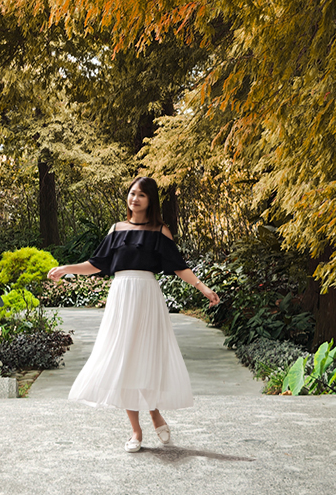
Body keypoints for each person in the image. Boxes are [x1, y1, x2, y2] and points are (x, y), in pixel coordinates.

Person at [47, 176, 220, 453]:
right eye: (131, 193)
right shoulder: (116, 229)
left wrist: (203, 288)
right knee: (124, 359)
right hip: (121, 296)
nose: (134, 198)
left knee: (147, 358)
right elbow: (96, 264)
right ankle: (136, 431)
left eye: (141, 194)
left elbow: (178, 266)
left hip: (147, 296)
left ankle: (154, 413)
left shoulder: (160, 231)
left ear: (150, 200)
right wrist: (66, 268)